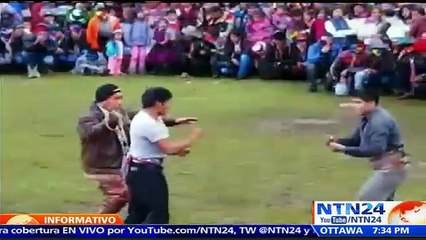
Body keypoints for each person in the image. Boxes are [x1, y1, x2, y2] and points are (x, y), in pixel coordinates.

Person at [77, 84, 199, 214]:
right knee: (121, 194)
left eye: (121, 98)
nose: (120, 102)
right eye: (116, 98)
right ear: (104, 100)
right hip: (102, 164)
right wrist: (108, 122)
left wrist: (173, 121)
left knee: (135, 193)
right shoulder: (88, 116)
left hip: (122, 162)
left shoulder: (118, 112)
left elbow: (141, 117)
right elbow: (89, 134)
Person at [125, 87, 202, 224]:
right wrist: (192, 138)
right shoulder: (149, 123)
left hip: (137, 171)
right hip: (147, 174)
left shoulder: (146, 116)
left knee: (139, 213)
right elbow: (167, 147)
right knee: (159, 214)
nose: (169, 106)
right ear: (158, 103)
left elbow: (159, 148)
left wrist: (177, 149)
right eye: (167, 102)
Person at [327, 91, 410, 201]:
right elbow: (356, 140)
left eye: (358, 103)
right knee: (384, 203)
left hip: (391, 168)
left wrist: (343, 149)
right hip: (387, 166)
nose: (353, 106)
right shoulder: (367, 118)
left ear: (371, 103)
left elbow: (374, 149)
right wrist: (338, 141)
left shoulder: (379, 121)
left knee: (366, 199)